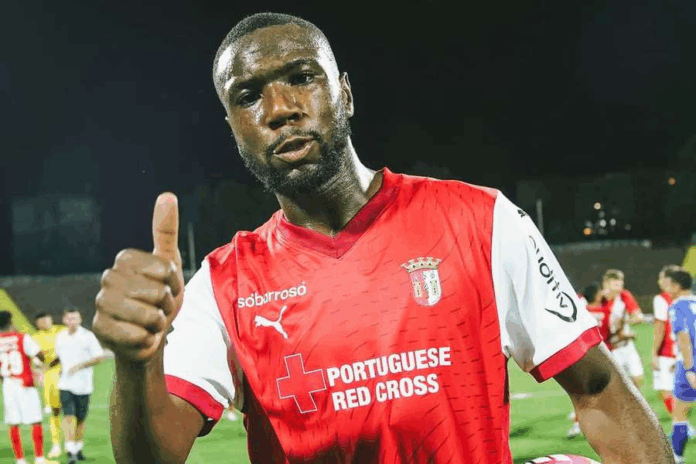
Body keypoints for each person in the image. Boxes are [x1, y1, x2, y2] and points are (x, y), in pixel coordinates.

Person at [92, 12, 674, 463]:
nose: (280, 108)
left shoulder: (481, 221)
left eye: (302, 77)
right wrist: (136, 361)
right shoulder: (222, 285)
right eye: (247, 96)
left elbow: (600, 389)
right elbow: (152, 457)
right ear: (234, 128)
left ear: (344, 93)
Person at [0, 310, 58, 464]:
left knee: (13, 422)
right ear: (11, 322)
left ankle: (20, 460)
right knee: (35, 420)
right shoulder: (22, 337)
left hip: (8, 384)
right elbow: (40, 355)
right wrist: (37, 363)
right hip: (25, 383)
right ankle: (39, 458)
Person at [53, 309, 105, 464]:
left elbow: (99, 357)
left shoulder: (88, 336)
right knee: (69, 416)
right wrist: (55, 368)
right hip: (65, 384)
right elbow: (60, 356)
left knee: (80, 419)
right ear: (64, 320)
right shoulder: (60, 337)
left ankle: (78, 447)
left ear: (80, 320)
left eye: (75, 318)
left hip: (83, 384)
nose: (72, 321)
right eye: (69, 318)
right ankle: (70, 451)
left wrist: (80, 365)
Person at [567, 282, 612, 438]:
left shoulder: (585, 310)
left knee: (587, 392)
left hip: (588, 353)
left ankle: (579, 423)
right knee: (593, 392)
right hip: (595, 353)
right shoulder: (600, 310)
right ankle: (585, 423)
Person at [665, 267, 696, 463]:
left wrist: (689, 369)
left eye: (668, 284)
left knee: (680, 414)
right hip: (687, 360)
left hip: (690, 364)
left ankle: (676, 457)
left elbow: (684, 338)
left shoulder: (677, 306)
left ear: (676, 286)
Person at [603, 269, 646, 388]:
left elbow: (638, 317)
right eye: (616, 284)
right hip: (610, 349)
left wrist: (625, 321)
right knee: (615, 385)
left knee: (638, 378)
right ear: (606, 283)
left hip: (626, 345)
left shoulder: (624, 296)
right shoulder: (599, 299)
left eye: (621, 283)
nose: (620, 287)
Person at [32, 312, 66, 458]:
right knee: (55, 411)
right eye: (41, 321)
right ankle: (56, 445)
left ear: (51, 319)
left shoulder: (62, 331)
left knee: (72, 411)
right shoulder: (35, 338)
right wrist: (38, 371)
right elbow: (35, 360)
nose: (45, 323)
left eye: (46, 319)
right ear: (37, 324)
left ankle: (73, 444)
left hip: (68, 374)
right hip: (50, 376)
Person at [652, 266, 680, 417]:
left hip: (667, 351)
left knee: (666, 389)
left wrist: (654, 353)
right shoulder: (685, 298)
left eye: (661, 278)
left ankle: (681, 423)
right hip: (685, 350)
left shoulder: (661, 299)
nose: (659, 281)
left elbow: (660, 327)